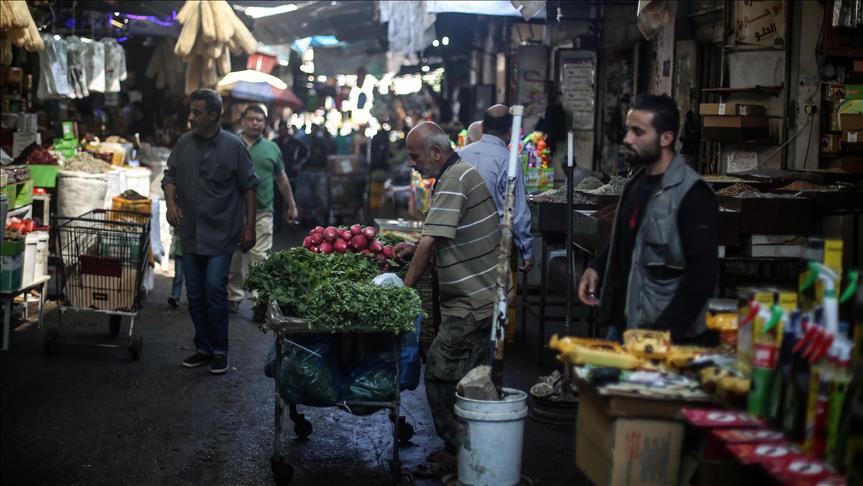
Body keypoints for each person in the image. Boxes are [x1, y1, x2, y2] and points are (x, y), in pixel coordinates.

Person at [394, 122, 501, 477]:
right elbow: (437, 238)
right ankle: (468, 449)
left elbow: (430, 241)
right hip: (479, 296)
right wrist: (412, 248)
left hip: (472, 302)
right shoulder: (455, 175)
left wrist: (404, 291)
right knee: (465, 376)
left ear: (436, 153)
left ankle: (458, 451)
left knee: (439, 371)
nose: (413, 164)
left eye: (415, 156)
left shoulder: (455, 179)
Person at [577, 94, 719, 344]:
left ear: (666, 138)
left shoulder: (692, 194)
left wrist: (663, 335)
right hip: (623, 326)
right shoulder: (636, 184)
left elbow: (702, 277)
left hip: (663, 337)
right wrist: (596, 266)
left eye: (638, 132)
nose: (627, 139)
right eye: (628, 130)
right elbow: (629, 237)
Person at [162, 88, 259, 375]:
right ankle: (202, 347)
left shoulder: (234, 146)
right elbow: (170, 177)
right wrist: (170, 204)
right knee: (194, 292)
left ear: (214, 115)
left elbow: (249, 187)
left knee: (215, 289)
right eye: (191, 111)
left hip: (222, 232)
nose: (191, 117)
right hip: (190, 231)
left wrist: (249, 226)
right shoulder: (183, 143)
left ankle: (220, 350)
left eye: (197, 112)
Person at [227, 105, 299, 313]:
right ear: (243, 121)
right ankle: (234, 295)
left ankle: (259, 299)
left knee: (261, 256)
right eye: (251, 119)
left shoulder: (272, 148)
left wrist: (292, 205)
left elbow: (282, 179)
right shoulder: (231, 144)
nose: (255, 123)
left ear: (265, 124)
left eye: (259, 120)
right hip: (234, 212)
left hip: (263, 211)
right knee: (235, 256)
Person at [457, 105, 534, 271]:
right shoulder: (510, 160)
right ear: (510, 131)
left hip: (459, 240)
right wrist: (526, 250)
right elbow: (518, 210)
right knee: (493, 293)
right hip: (493, 244)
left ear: (483, 127)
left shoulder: (460, 154)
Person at [167, 229, 184, 308]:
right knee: (178, 276)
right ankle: (175, 296)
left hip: (185, 251)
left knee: (179, 276)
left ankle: (175, 295)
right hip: (179, 250)